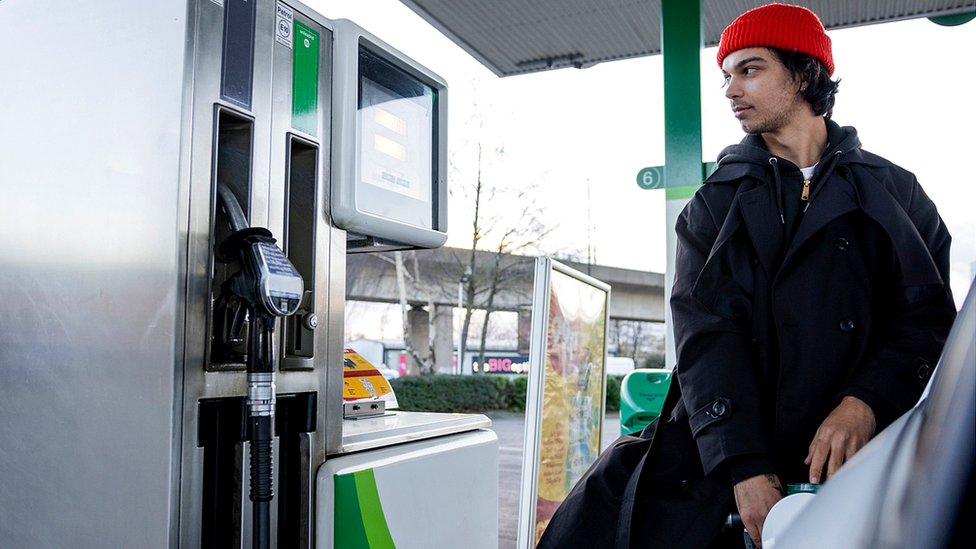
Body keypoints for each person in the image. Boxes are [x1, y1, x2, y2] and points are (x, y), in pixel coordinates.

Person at [536, 4, 956, 549]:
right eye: (726, 76)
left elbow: (925, 316)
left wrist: (864, 402)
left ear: (805, 73)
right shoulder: (714, 204)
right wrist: (744, 465)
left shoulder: (895, 193)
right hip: (726, 454)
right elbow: (705, 336)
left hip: (854, 458)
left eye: (750, 69)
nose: (731, 89)